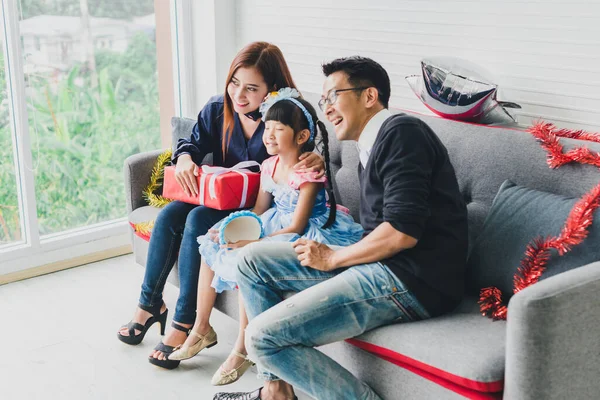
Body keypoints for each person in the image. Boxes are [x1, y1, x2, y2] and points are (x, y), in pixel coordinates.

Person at [214, 57, 469, 400]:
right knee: (251, 261)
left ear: (369, 96)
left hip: (413, 278)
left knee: (261, 337)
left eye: (333, 97)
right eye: (323, 102)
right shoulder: (371, 143)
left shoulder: (402, 133)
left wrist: (334, 258)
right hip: (382, 265)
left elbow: (401, 232)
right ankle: (276, 392)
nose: (328, 109)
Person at [116, 42, 325, 370]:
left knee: (198, 218)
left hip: (261, 210)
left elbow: (314, 145)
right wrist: (184, 158)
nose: (239, 95)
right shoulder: (218, 109)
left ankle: (186, 325)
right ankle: (150, 305)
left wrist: (315, 155)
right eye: (234, 83)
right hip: (224, 198)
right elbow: (192, 142)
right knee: (171, 213)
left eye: (252, 88)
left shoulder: (288, 114)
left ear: (273, 88)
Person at [168, 88, 364, 386]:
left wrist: (253, 243)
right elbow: (260, 211)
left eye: (278, 129)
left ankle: (242, 347)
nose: (269, 135)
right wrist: (229, 228)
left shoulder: (308, 175)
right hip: (274, 223)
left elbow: (298, 227)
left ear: (300, 137)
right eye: (267, 128)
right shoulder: (269, 165)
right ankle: (201, 327)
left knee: (252, 261)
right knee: (212, 241)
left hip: (308, 229)